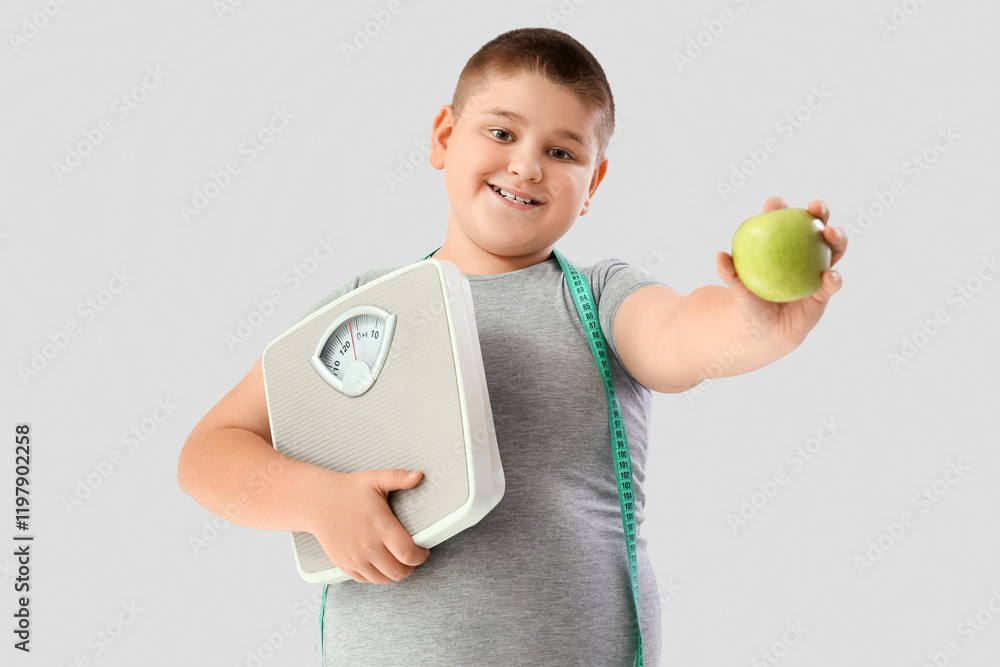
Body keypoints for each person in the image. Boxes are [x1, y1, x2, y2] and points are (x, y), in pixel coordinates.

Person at [177, 27, 847, 666]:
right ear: (445, 137)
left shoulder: (599, 298)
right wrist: (315, 498)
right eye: (501, 133)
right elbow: (210, 451)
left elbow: (680, 338)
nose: (526, 165)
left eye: (562, 153)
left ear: (594, 183)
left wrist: (751, 317)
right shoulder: (361, 312)